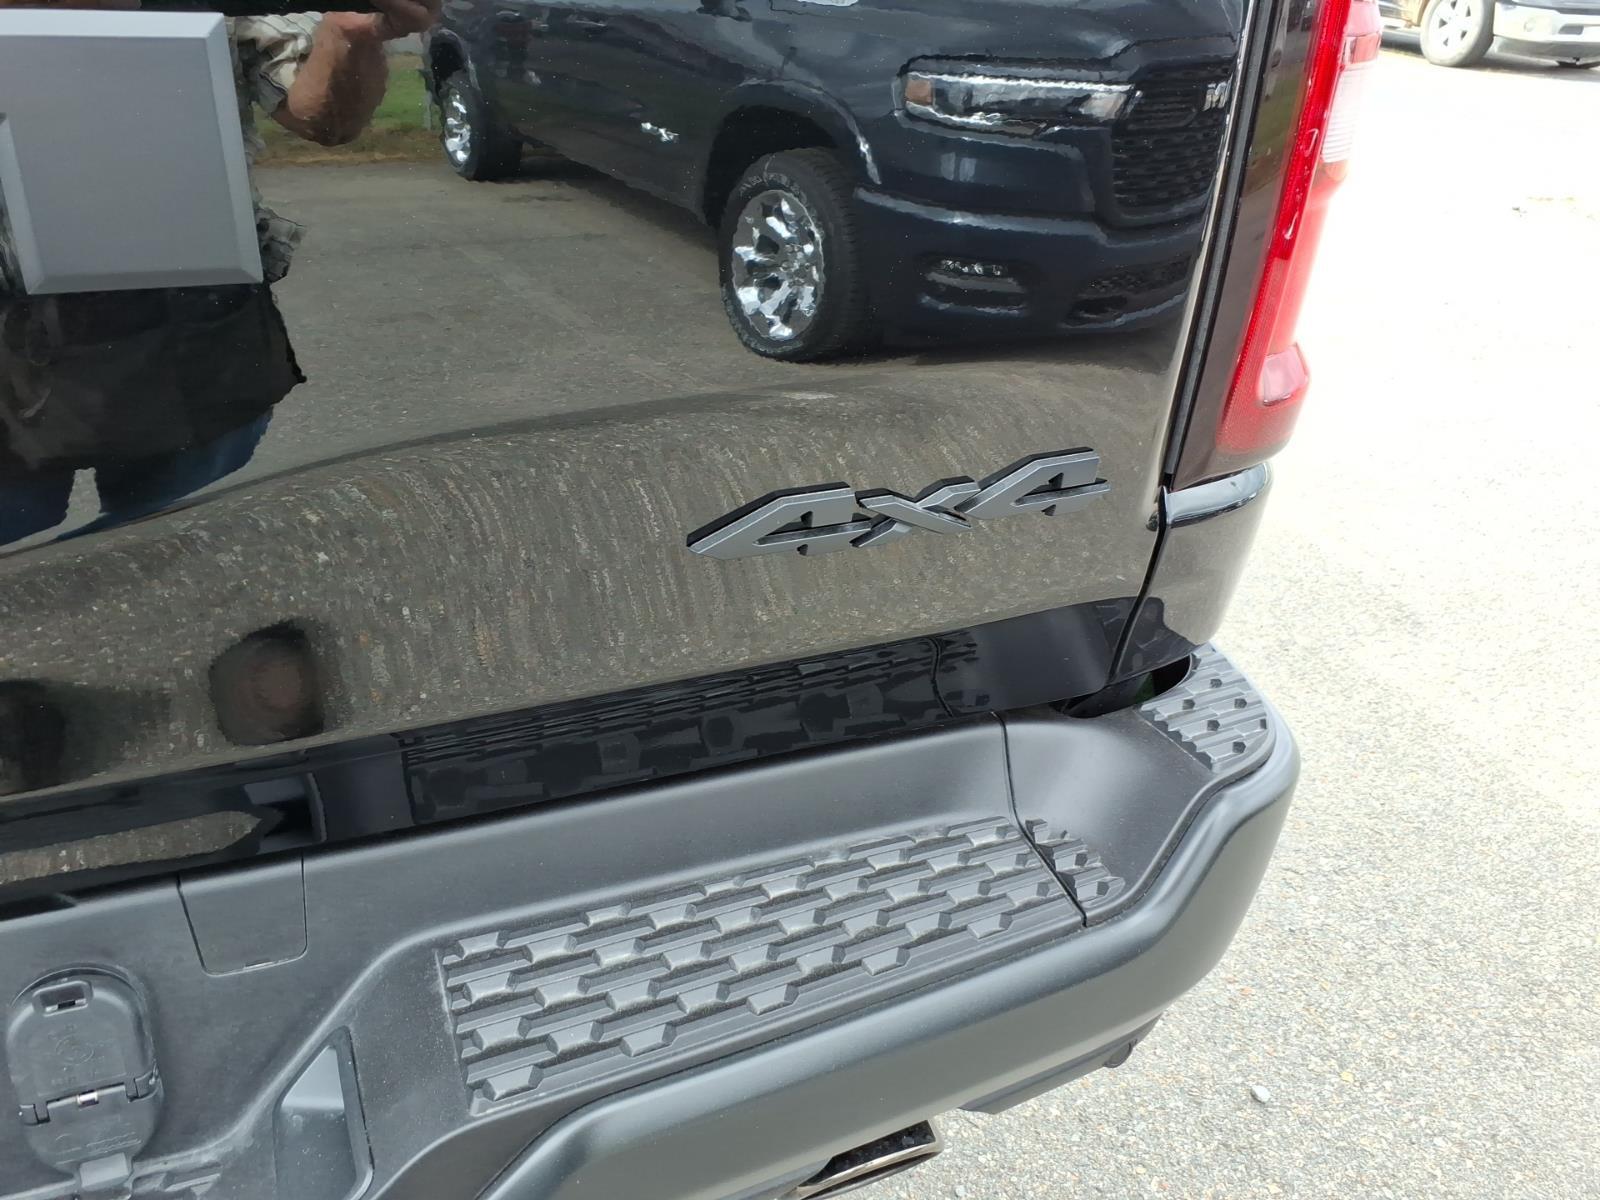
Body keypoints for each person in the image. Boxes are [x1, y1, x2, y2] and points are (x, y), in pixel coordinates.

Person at [0, 2, 441, 546]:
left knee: (176, 536)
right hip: (12, 338)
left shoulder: (216, 9)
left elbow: (325, 120)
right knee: (20, 540)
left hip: (187, 333)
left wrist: (350, 34)